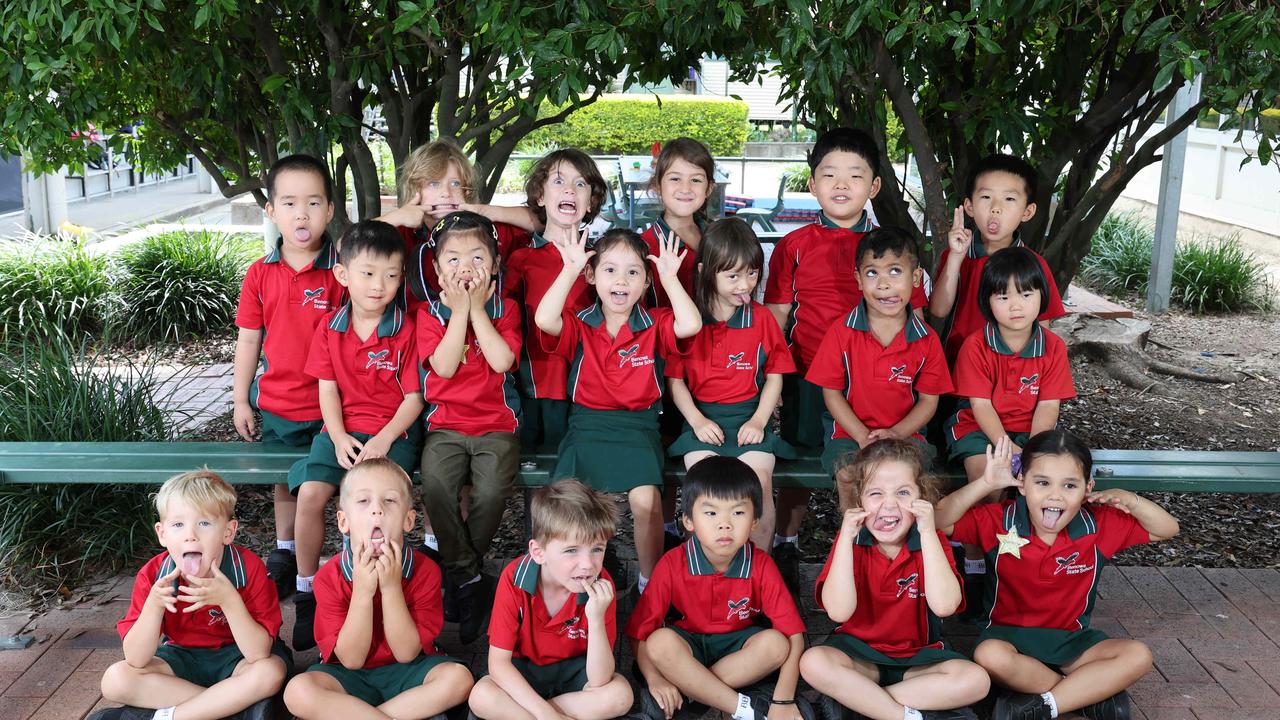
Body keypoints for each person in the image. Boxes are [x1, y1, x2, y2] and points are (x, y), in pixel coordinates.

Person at [763, 128, 928, 589]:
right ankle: (786, 542)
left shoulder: (889, 248)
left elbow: (914, 310)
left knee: (873, 463)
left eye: (855, 176)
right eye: (829, 175)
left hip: (876, 377)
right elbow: (777, 316)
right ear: (812, 184)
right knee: (800, 459)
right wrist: (769, 375)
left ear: (873, 187)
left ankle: (872, 549)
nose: (841, 184)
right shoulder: (794, 245)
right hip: (808, 375)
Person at [935, 432, 1180, 720]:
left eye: (1070, 485)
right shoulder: (999, 519)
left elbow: (1168, 528)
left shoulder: (1098, 524)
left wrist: (1131, 500)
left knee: (1138, 655)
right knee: (988, 656)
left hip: (1072, 643)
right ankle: (1084, 696)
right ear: (1022, 483)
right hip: (1008, 640)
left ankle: (1043, 706)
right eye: (1042, 483)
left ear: (1088, 487)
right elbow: (937, 520)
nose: (1055, 495)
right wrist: (986, 483)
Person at [534, 228, 701, 593]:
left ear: (645, 281)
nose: (621, 281)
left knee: (646, 501)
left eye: (633, 272)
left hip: (638, 428)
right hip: (586, 426)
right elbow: (545, 320)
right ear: (592, 276)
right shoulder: (580, 322)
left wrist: (671, 280)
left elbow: (690, 324)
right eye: (609, 270)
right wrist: (569, 269)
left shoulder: (654, 323)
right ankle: (575, 579)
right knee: (569, 501)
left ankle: (649, 582)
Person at [289, 220, 426, 651]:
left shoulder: (407, 328)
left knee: (381, 504)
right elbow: (326, 388)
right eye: (367, 273)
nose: (378, 285)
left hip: (393, 434)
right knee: (311, 493)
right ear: (343, 275)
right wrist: (339, 435)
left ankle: (391, 583)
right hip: (342, 432)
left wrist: (384, 440)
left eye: (390, 275)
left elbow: (414, 398)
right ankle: (307, 588)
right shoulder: (330, 327)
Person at [799, 440, 989, 720]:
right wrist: (845, 540)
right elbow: (839, 611)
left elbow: (945, 606)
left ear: (922, 497)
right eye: (875, 493)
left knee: (976, 680)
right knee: (813, 662)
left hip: (918, 659)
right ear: (859, 499)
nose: (889, 504)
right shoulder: (850, 540)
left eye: (902, 492)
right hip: (859, 655)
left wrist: (926, 533)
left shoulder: (930, 539)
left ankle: (862, 703)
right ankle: (907, 715)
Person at [233, 154, 344, 601]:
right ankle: (284, 550)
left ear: (330, 211)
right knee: (284, 480)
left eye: (314, 203)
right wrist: (242, 399)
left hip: (334, 406)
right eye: (290, 202)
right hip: (278, 402)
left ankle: (342, 554)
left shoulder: (342, 271)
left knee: (328, 481)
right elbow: (248, 340)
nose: (302, 214)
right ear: (271, 211)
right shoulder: (261, 273)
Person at [283, 459, 474, 720]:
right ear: (343, 521)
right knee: (298, 692)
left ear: (408, 521)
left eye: (390, 501)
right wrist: (362, 592)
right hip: (348, 675)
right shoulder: (329, 576)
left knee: (459, 679)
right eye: (363, 502)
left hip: (408, 670)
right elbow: (351, 659)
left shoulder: (425, 570)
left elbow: (407, 653)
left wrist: (391, 587)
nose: (377, 511)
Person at [627, 456, 811, 720]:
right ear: (688, 521)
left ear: (755, 521)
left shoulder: (761, 565)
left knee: (776, 644)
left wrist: (783, 699)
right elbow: (639, 632)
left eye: (738, 512)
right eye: (711, 513)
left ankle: (693, 693)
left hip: (737, 650)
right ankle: (746, 710)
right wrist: (655, 679)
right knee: (659, 643)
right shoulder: (672, 563)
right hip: (687, 646)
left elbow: (794, 636)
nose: (724, 524)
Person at [94, 471, 288, 720]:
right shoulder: (154, 575)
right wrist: (154, 607)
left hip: (238, 659)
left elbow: (257, 653)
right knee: (115, 680)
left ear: (228, 532)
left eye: (204, 523)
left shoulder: (248, 569)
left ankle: (169, 716)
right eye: (178, 525)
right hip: (182, 658)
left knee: (269, 672)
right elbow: (136, 658)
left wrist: (229, 601)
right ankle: (230, 708)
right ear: (162, 534)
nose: (190, 535)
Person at [416, 210, 523, 645]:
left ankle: (462, 575)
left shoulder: (507, 308)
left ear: (495, 264)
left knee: (494, 489)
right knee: (437, 487)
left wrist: (477, 309)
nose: (466, 268)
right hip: (445, 424)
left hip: (497, 425)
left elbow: (501, 361)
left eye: (478, 258)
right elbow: (441, 367)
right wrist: (458, 311)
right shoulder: (428, 313)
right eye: (454, 259)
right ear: (438, 269)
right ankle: (471, 580)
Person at [666, 217, 795, 550]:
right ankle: (705, 571)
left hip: (749, 419)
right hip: (702, 421)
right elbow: (675, 381)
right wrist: (696, 421)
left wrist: (759, 421)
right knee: (704, 489)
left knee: (759, 484)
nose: (745, 284)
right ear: (706, 272)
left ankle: (758, 571)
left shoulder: (762, 318)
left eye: (752, 273)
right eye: (733, 275)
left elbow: (775, 377)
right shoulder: (690, 320)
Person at [805, 227, 953, 512]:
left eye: (895, 271)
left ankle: (907, 546)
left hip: (907, 435)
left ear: (916, 278)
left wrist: (896, 433)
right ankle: (854, 544)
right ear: (858, 280)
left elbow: (928, 402)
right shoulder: (841, 332)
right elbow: (832, 394)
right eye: (872, 273)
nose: (884, 284)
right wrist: (862, 436)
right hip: (849, 434)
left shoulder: (926, 340)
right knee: (850, 475)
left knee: (907, 478)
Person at [468, 479, 633, 720]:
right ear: (538, 552)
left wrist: (596, 618)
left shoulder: (601, 585)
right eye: (571, 550)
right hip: (524, 673)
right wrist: (547, 715)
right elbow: (499, 665)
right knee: (481, 695)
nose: (588, 565)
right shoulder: (515, 579)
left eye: (597, 549)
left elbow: (600, 679)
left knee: (620, 695)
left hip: (575, 674)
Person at [505, 148, 608, 450]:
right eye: (558, 182)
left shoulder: (603, 259)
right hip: (535, 385)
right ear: (540, 196)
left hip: (589, 385)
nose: (569, 190)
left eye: (580, 184)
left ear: (590, 202)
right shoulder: (522, 259)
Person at [945, 246, 1075, 483]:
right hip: (979, 428)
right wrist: (1010, 450)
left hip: (1033, 430)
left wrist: (1033, 450)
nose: (1015, 306)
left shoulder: (1053, 347)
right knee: (989, 477)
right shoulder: (975, 346)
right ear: (988, 301)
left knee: (1043, 477)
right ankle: (990, 519)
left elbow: (1047, 406)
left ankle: (1021, 520)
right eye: (1003, 297)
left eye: (1026, 295)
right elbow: (981, 406)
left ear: (1042, 295)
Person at [928, 154, 1065, 362]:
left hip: (1009, 375)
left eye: (1009, 199)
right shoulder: (957, 254)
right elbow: (938, 310)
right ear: (969, 206)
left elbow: (1043, 328)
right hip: (957, 368)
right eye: (986, 197)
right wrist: (955, 258)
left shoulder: (1034, 264)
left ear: (1027, 211)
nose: (996, 208)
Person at [376, 137, 532, 308]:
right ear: (415, 189)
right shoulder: (401, 232)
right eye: (434, 183)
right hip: (418, 331)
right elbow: (345, 245)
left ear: (467, 190)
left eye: (455, 184)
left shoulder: (484, 230)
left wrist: (491, 211)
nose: (446, 193)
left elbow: (542, 221)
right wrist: (395, 217)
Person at [639, 137, 717, 308]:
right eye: (675, 179)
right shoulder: (643, 248)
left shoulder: (719, 238)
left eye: (696, 180)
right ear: (657, 185)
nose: (685, 188)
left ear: (709, 188)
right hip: (668, 334)